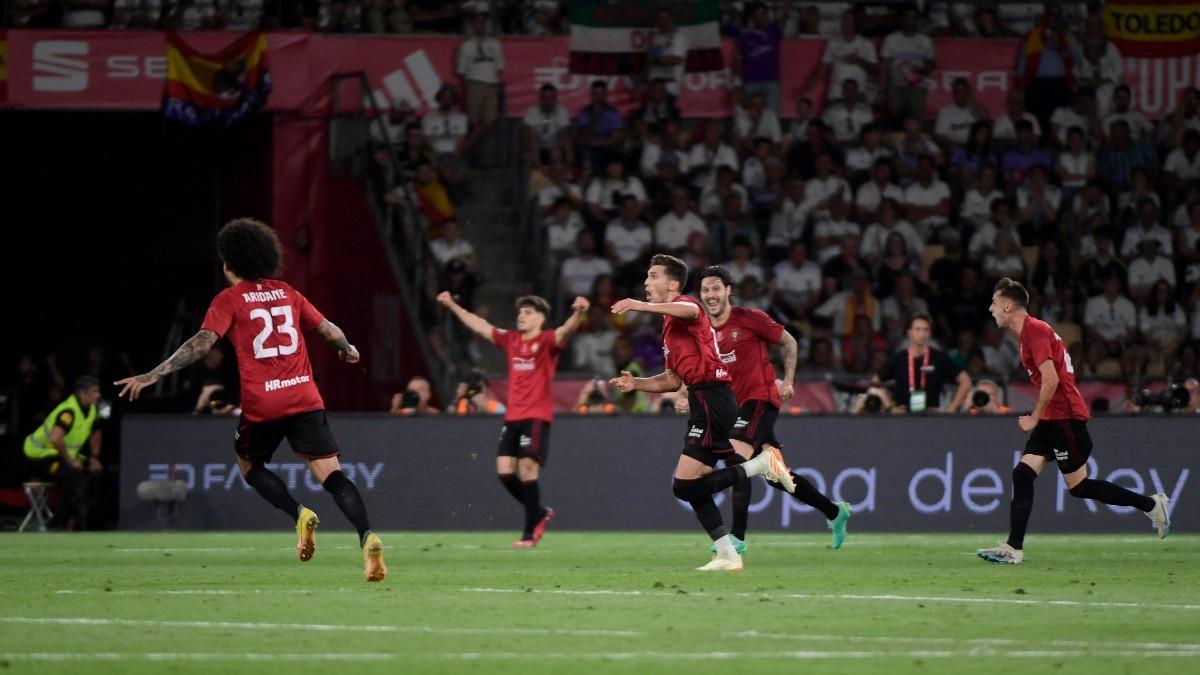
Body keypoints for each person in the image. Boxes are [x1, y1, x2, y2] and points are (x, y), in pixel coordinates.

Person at [114, 218, 387, 581]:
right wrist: (346, 348)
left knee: (249, 466)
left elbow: (201, 343)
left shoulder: (229, 299)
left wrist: (153, 374)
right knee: (333, 475)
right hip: (305, 396)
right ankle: (367, 536)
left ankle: (299, 514)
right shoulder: (288, 292)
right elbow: (329, 330)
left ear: (229, 263)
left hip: (264, 404)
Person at [609, 254, 795, 572]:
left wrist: (640, 306)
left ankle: (763, 464)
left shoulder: (686, 306)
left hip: (713, 397)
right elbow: (671, 379)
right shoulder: (669, 326)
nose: (646, 282)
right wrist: (635, 383)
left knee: (685, 485)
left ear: (672, 283)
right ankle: (727, 554)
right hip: (702, 398)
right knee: (688, 485)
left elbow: (692, 309)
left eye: (653, 276)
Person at [976, 278, 1171, 565]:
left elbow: (1052, 380)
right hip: (1054, 418)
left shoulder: (1035, 330)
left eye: (994, 302)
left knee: (1078, 487)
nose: (991, 308)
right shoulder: (1029, 333)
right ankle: (1013, 548)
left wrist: (1034, 417)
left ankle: (1152, 505)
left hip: (1065, 419)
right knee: (1023, 474)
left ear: (1007, 305)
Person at [696, 266, 851, 555]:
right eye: (705, 290)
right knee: (777, 475)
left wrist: (789, 379)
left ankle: (737, 537)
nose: (710, 295)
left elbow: (789, 341)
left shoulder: (750, 318)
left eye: (716, 288)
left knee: (736, 461)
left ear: (728, 290)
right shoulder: (703, 330)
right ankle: (834, 511)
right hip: (734, 408)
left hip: (761, 400)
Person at [438, 292, 589, 547]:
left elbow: (565, 332)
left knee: (528, 470)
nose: (521, 316)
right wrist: (453, 304)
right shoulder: (511, 340)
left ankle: (529, 533)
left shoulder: (546, 340)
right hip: (513, 417)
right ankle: (539, 511)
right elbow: (481, 326)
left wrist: (578, 313)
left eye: (528, 312)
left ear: (541, 318)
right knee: (505, 472)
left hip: (536, 417)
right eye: (520, 312)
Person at [22, 375, 105, 529]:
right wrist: (70, 460)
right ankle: (58, 524)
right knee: (73, 474)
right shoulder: (68, 412)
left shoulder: (92, 409)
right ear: (83, 393)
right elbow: (55, 437)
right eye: (95, 391)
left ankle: (83, 522)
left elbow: (96, 433)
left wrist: (94, 457)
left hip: (60, 454)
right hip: (38, 455)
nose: (98, 395)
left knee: (96, 473)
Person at [875, 312, 971, 413]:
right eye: (917, 329)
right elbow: (874, 382)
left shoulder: (939, 357)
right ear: (909, 332)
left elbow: (966, 381)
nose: (922, 334)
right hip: (903, 418)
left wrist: (951, 408)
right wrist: (890, 407)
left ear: (930, 333)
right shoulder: (899, 358)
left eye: (926, 330)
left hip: (932, 418)